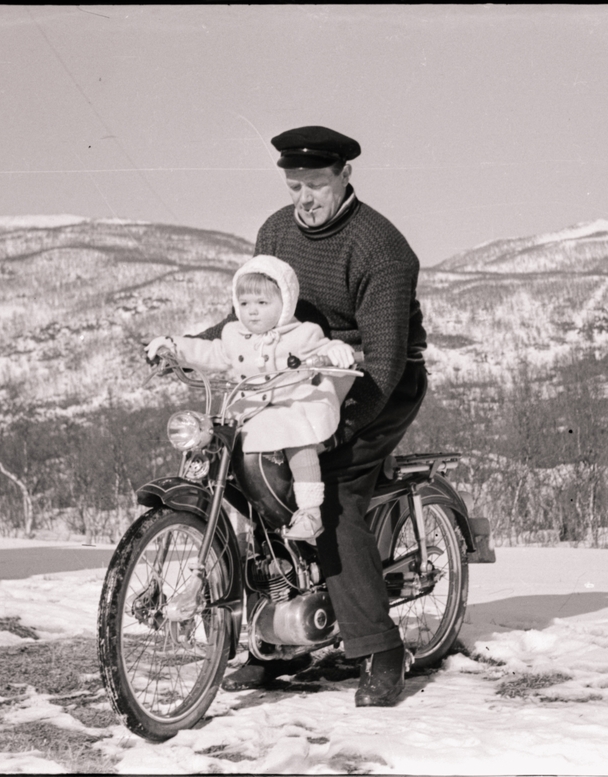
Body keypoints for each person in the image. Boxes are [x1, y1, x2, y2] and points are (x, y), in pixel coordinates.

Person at [183, 125, 429, 708]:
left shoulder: (381, 247)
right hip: (292, 380)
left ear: (345, 177)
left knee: (336, 492)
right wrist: (188, 347)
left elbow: (388, 361)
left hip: (374, 382)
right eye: (295, 185)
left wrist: (341, 430)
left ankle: (380, 649)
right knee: (250, 478)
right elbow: (249, 317)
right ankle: (279, 640)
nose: (304, 198)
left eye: (315, 184)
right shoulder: (275, 230)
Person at [145, 254, 356, 541]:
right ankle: (245, 522)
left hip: (291, 405)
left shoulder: (303, 333)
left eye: (262, 303)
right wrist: (173, 348)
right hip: (248, 410)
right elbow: (211, 352)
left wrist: (336, 351)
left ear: (285, 303)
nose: (252, 312)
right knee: (218, 444)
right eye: (243, 304)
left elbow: (323, 348)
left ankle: (310, 511)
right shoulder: (234, 334)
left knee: (298, 440)